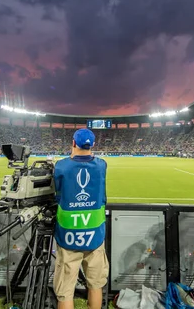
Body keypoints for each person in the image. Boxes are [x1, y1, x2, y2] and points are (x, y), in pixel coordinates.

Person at [53, 128, 109, 309]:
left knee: (65, 290)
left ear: (73, 143)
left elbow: (58, 190)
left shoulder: (61, 165)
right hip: (94, 235)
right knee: (95, 284)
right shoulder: (101, 165)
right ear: (92, 145)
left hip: (68, 234)